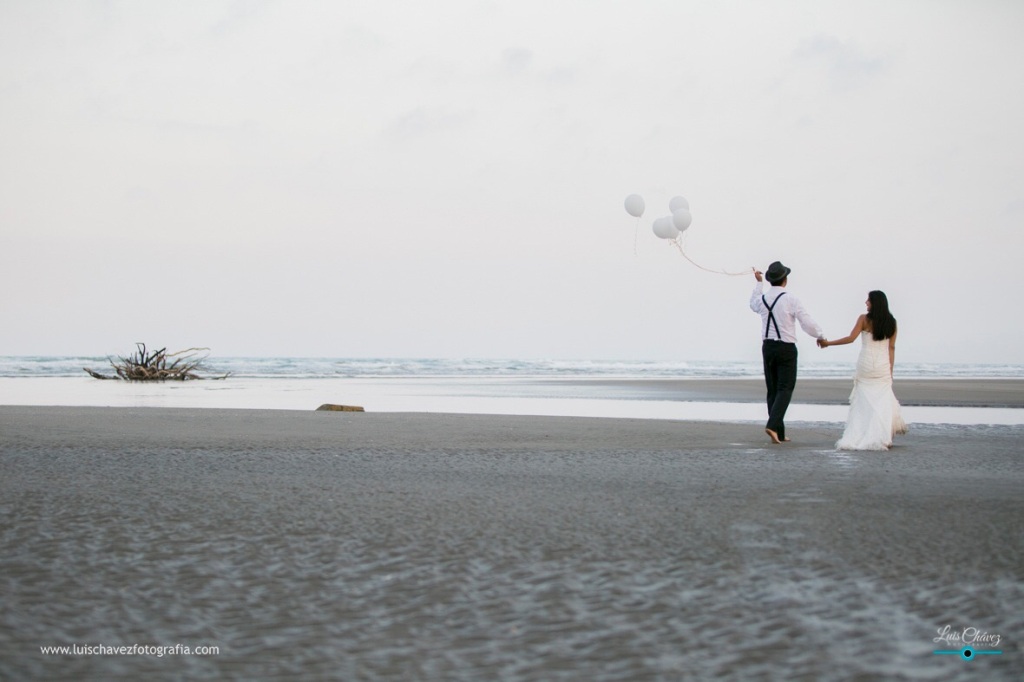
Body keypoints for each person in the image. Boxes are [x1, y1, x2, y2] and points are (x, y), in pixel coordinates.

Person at [819, 290, 908, 450]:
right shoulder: (892, 323)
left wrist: (828, 343)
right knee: (882, 401)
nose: (866, 302)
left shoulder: (864, 319)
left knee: (863, 400)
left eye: (868, 300)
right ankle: (882, 436)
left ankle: (860, 433)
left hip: (865, 364)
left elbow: (850, 338)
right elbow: (891, 348)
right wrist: (890, 371)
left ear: (875, 303)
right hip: (882, 365)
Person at [750, 261, 827, 444]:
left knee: (773, 390)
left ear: (770, 281)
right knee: (785, 388)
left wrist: (758, 283)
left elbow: (752, 304)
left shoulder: (762, 299)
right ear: (785, 279)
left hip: (767, 347)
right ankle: (772, 424)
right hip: (786, 347)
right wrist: (820, 335)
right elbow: (806, 322)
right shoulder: (791, 299)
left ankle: (779, 433)